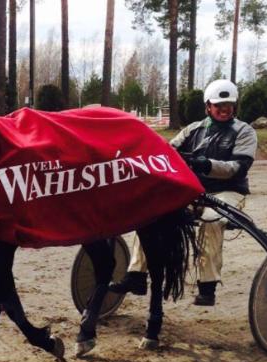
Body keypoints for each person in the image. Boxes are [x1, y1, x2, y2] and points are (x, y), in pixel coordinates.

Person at [110, 79, 257, 306]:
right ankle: (136, 275)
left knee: (211, 221)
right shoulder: (193, 129)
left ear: (235, 106)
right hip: (194, 190)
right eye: (219, 105)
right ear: (208, 106)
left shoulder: (244, 131)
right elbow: (166, 151)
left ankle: (207, 287)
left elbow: (238, 168)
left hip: (228, 191)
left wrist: (207, 165)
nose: (224, 109)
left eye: (228, 105)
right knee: (151, 213)